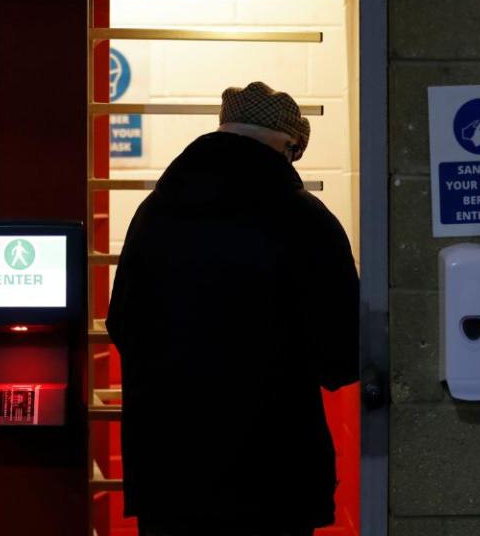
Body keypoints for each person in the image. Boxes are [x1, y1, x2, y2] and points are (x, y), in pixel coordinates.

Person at [106, 82, 359, 536]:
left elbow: (121, 324)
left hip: (169, 475)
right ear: (286, 144)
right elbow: (341, 356)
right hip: (272, 480)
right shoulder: (306, 221)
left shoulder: (152, 215)